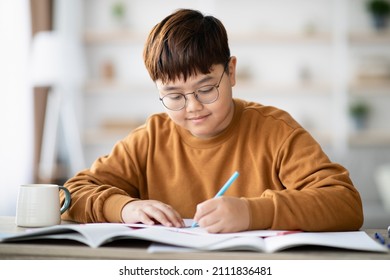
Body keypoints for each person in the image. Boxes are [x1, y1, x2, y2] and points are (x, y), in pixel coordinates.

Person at [61, 8, 363, 233]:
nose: (193, 107)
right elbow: (71, 196)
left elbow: (346, 204)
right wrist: (124, 208)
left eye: (206, 89)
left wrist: (253, 212)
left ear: (231, 72)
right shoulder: (151, 138)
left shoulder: (276, 131)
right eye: (174, 96)